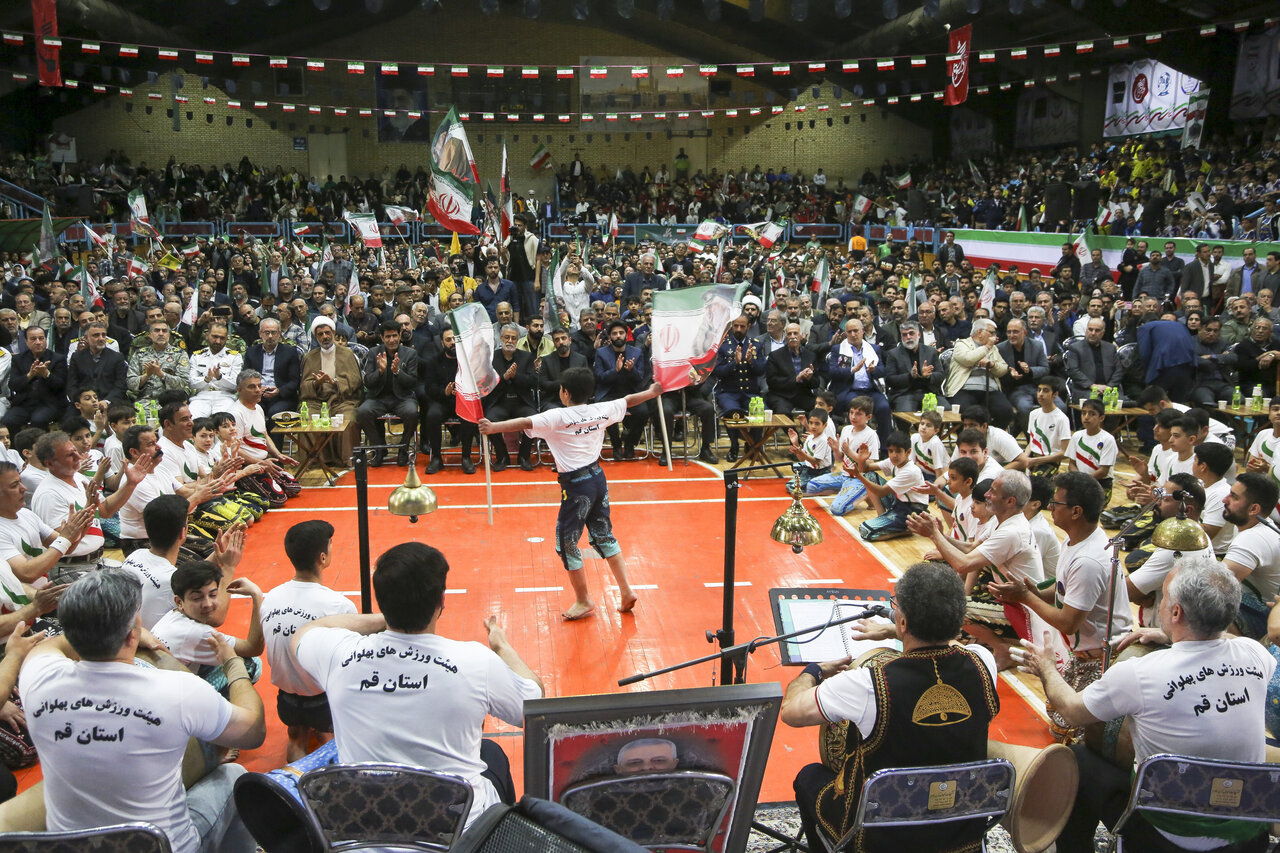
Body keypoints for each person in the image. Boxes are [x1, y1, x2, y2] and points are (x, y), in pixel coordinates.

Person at [1015, 558, 1274, 853]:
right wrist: (1174, 634)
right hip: (1246, 835)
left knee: (1077, 759)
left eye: (1164, 597)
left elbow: (1071, 710)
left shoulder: (1140, 673)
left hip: (1165, 838)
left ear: (1176, 612)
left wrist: (1047, 668)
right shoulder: (1256, 655)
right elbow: (1225, 640)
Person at [294, 542, 543, 830]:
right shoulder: (476, 661)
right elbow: (533, 705)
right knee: (492, 754)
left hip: (366, 823)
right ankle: (500, 836)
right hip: (457, 831)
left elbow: (307, 631)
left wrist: (389, 614)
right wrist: (502, 647)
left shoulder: (339, 655)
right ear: (441, 601)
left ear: (382, 602)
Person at [21, 567, 266, 852]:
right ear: (132, 634)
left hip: (76, 847)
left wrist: (107, 628)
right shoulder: (177, 690)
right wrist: (232, 664)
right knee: (235, 776)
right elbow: (253, 731)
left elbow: (51, 645)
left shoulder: (38, 678)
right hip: (162, 846)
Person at [781, 562, 999, 853]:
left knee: (809, 777)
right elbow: (951, 643)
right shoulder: (983, 663)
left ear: (903, 622)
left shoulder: (867, 685)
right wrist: (895, 631)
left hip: (883, 840)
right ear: (959, 622)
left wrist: (812, 671)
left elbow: (791, 711)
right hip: (960, 833)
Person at [480, 367, 661, 620]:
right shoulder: (601, 409)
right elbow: (628, 400)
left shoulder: (556, 416)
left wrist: (493, 427)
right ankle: (626, 590)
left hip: (576, 488)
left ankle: (583, 600)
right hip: (598, 480)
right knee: (604, 535)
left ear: (564, 392)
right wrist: (652, 392)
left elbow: (525, 423)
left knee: (565, 544)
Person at [990, 471, 1132, 741]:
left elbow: (1068, 622)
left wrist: (1025, 597)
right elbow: (1062, 588)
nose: (1050, 507)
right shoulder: (1076, 540)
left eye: (1056, 503)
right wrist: (1035, 591)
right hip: (1084, 650)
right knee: (1059, 719)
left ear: (1076, 511)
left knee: (1072, 732)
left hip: (1102, 658)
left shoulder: (1088, 561)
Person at [262, 520, 355, 761]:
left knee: (296, 736)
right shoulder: (339, 605)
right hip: (321, 699)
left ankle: (294, 780)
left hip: (286, 697)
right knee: (331, 740)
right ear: (322, 558)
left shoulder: (270, 598)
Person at [298, 316, 362, 465]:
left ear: (333, 332)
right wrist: (316, 383)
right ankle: (315, 461)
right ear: (316, 337)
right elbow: (303, 386)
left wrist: (335, 382)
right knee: (307, 419)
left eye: (327, 333)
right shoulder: (310, 357)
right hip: (316, 401)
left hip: (342, 400)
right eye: (320, 334)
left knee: (349, 420)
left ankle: (347, 459)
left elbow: (356, 380)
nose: (325, 337)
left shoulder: (347, 354)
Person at [356, 319, 420, 467]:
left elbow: (412, 382)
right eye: (388, 337)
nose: (391, 340)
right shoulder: (374, 353)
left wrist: (397, 371)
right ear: (382, 338)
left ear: (400, 335)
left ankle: (403, 449)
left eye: (394, 336)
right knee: (362, 412)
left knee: (412, 413)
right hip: (378, 398)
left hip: (402, 398)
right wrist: (380, 371)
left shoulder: (410, 354)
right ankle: (379, 449)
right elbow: (368, 382)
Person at [942, 319, 1012, 430]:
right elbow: (968, 359)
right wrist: (986, 347)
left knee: (1006, 411)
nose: (995, 336)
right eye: (991, 333)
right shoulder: (962, 344)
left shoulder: (993, 348)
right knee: (961, 412)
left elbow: (1003, 369)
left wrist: (992, 364)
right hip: (964, 389)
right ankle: (966, 437)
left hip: (990, 390)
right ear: (979, 332)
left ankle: (987, 435)